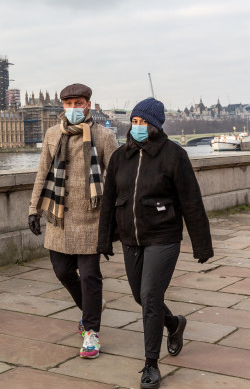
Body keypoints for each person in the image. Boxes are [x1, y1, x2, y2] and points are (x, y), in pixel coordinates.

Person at [98, 98, 214, 389]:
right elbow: (108, 201)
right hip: (130, 238)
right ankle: (174, 324)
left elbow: (191, 202)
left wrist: (202, 245)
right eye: (134, 121)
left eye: (144, 122)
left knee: (150, 297)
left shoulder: (174, 155)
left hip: (163, 236)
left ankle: (150, 364)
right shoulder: (119, 157)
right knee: (141, 297)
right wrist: (104, 239)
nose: (137, 127)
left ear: (156, 125)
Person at [28, 83, 119, 358]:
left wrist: (117, 214)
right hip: (60, 216)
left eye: (78, 103)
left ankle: (91, 330)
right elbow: (42, 172)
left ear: (88, 105)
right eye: (68, 104)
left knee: (90, 275)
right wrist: (34, 209)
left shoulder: (103, 136)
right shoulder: (53, 133)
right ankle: (91, 306)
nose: (73, 108)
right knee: (62, 271)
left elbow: (116, 177)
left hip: (92, 217)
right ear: (62, 106)